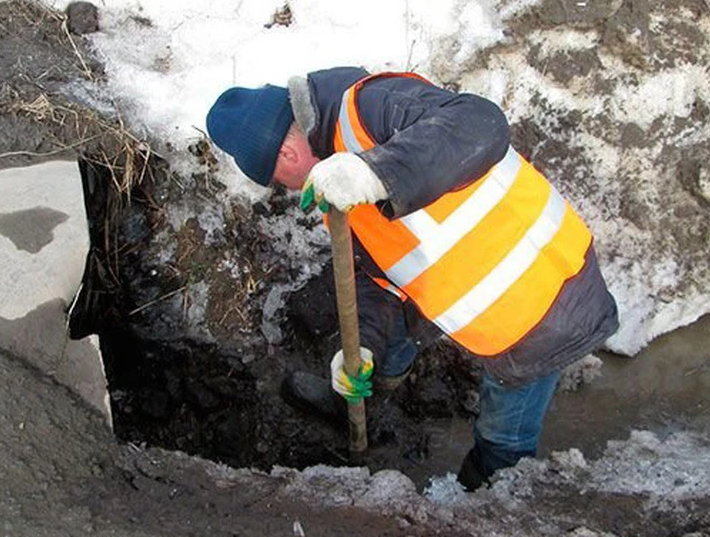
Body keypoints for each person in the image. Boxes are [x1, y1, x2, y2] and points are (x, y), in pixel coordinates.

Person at [205, 67, 619, 490]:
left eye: (279, 182)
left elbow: (480, 124)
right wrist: (361, 348)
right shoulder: (337, 176)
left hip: (545, 295)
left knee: (502, 445)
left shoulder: (370, 107)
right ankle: (368, 392)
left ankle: (487, 509)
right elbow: (377, 279)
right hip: (481, 291)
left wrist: (377, 172)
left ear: (286, 158)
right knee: (390, 335)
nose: (291, 190)